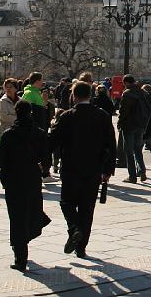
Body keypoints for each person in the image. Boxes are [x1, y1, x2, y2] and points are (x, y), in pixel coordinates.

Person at [49, 81, 115, 258]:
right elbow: (111, 143)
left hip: (71, 167)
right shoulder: (102, 116)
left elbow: (52, 141)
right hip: (94, 169)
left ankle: (74, 228)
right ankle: (81, 247)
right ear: (90, 95)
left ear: (73, 96)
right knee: (87, 208)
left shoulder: (67, 116)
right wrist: (108, 170)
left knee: (67, 202)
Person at [0, 100, 50, 272]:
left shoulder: (8, 134)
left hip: (13, 179)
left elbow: (1, 161)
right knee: (31, 209)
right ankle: (29, 233)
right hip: (32, 177)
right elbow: (46, 158)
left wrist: (4, 179)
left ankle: (20, 257)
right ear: (31, 114)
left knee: (17, 217)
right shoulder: (39, 133)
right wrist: (41, 169)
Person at [118, 74, 149, 183]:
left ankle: (132, 176)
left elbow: (123, 111)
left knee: (129, 151)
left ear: (126, 82)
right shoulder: (143, 92)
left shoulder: (127, 93)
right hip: (141, 124)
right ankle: (142, 170)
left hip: (129, 125)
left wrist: (120, 122)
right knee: (138, 149)